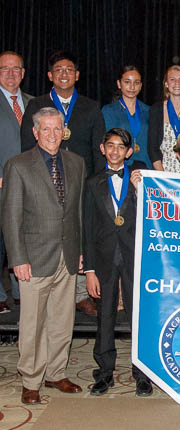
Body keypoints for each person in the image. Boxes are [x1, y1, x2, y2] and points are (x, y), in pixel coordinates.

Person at [2, 107, 86, 404]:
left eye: (57, 128)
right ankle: (31, 378)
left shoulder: (76, 163)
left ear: (64, 131)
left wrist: (79, 252)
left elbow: (76, 212)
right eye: (46, 129)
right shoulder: (18, 165)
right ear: (35, 132)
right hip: (33, 258)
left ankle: (55, 373)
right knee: (32, 324)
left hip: (68, 254)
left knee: (62, 320)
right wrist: (17, 258)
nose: (52, 135)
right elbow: (10, 217)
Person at [20, 50, 105, 316]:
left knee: (78, 231)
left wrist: (96, 183)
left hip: (80, 182)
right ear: (49, 75)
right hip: (44, 181)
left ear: (77, 75)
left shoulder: (91, 107)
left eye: (69, 69)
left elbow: (97, 148)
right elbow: (26, 144)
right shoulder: (38, 105)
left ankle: (79, 293)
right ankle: (46, 286)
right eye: (58, 69)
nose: (64, 74)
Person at [84, 128, 153, 397]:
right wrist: (89, 269)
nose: (115, 151)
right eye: (109, 146)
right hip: (103, 260)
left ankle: (143, 373)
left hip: (135, 257)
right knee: (105, 318)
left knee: (140, 316)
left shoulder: (142, 181)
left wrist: (140, 189)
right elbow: (88, 229)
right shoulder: (92, 183)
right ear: (102, 149)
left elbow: (152, 216)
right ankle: (104, 373)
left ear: (129, 151)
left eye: (120, 147)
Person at [0, 50, 30, 313]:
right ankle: (0, 298)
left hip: (29, 189)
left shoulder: (33, 103)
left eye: (15, 69)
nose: (10, 73)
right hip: (0, 186)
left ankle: (21, 293)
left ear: (23, 73)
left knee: (22, 241)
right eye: (4, 68)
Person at [102, 65, 151, 169]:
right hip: (120, 165)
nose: (132, 87)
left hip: (146, 166)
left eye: (136, 83)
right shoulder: (108, 111)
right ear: (119, 84)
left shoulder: (149, 111)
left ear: (141, 85)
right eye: (127, 82)